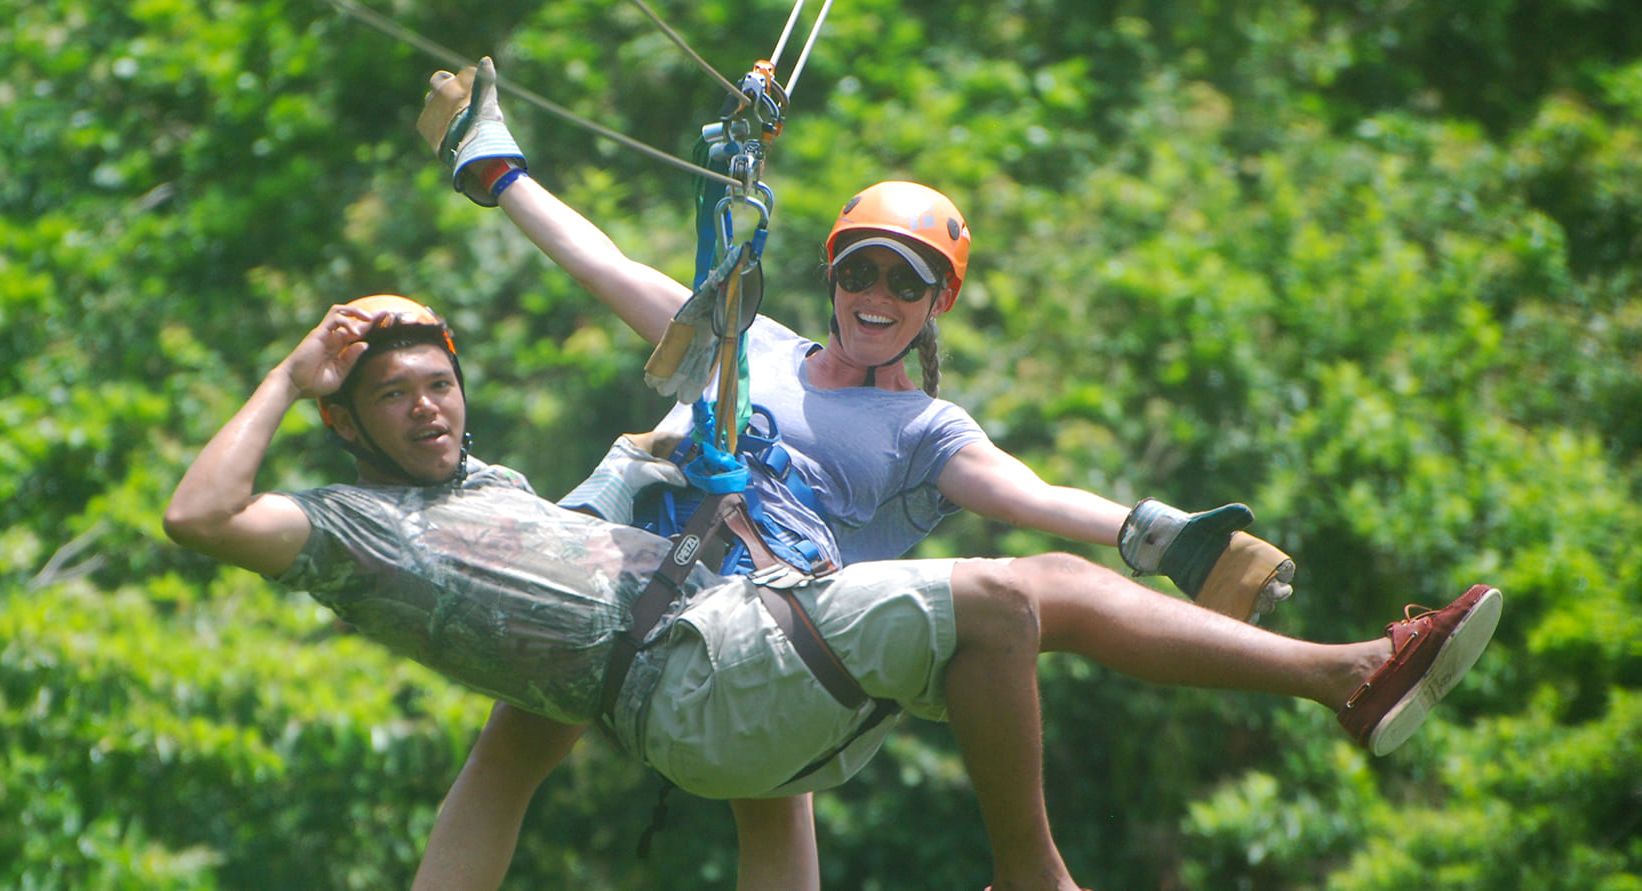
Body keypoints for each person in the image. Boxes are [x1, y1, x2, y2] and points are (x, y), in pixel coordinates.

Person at [162, 295, 1504, 891]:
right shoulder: (357, 532)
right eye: (390, 394)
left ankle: (1322, 668)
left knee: (787, 763)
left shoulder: (512, 507)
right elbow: (199, 511)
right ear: (349, 430)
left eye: (436, 379)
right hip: (699, 676)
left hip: (704, 668)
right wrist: (290, 373)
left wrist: (674, 463)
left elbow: (507, 763)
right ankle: (1336, 676)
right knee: (1008, 591)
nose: (426, 404)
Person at [409, 59, 1301, 886]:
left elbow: (1025, 493)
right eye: (859, 270)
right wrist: (499, 172)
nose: (875, 295)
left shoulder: (923, 429)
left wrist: (1149, 531)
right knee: (510, 752)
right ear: (832, 275)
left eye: (905, 282)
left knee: (776, 768)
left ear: (936, 301)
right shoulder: (743, 340)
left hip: (750, 633)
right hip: (626, 586)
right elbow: (602, 262)